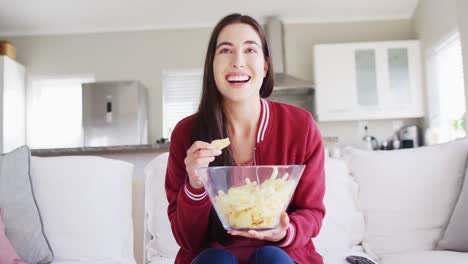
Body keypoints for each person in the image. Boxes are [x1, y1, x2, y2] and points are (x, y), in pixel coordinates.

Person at [165, 13, 325, 264]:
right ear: (212, 65)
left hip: (282, 254)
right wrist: (196, 185)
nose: (238, 62)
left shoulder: (301, 127)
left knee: (273, 258)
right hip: (210, 257)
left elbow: (312, 212)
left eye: (250, 50)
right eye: (226, 50)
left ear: (265, 65)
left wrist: (285, 230)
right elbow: (188, 240)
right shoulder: (186, 133)